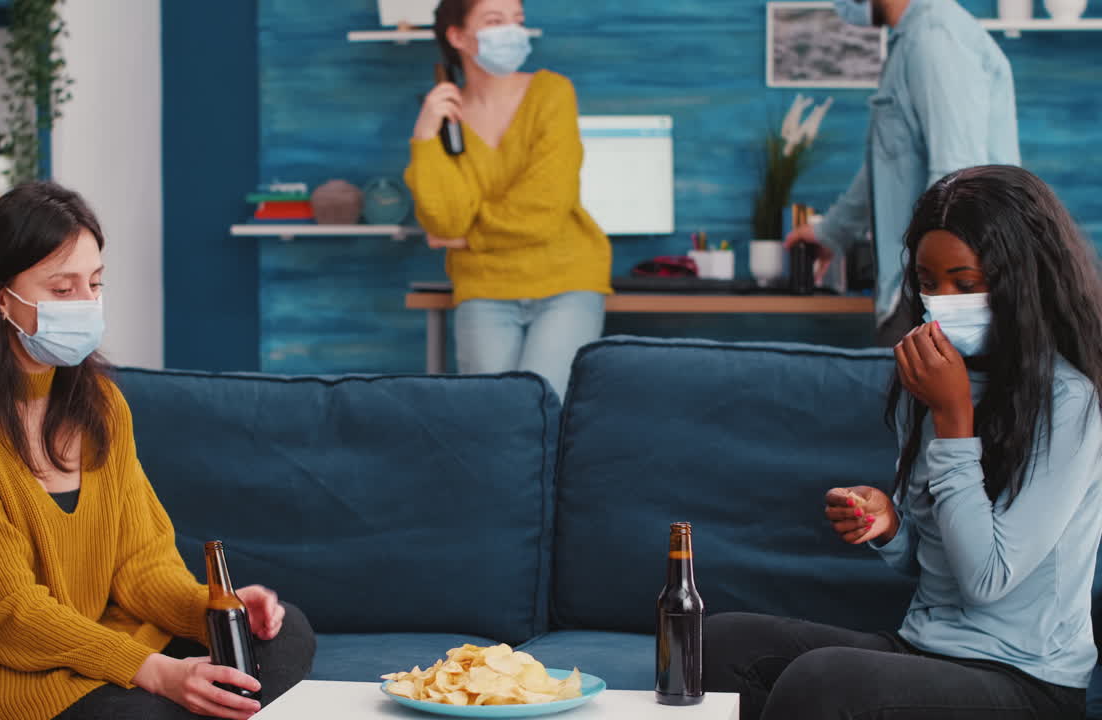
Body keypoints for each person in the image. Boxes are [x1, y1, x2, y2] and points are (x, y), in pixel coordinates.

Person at [0, 182, 315, 720]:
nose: (85, 304)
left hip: (84, 641)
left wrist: (214, 611)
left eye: (95, 283)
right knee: (157, 709)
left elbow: (140, 564)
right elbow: (2, 613)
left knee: (283, 631)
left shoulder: (100, 404)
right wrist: (155, 671)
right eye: (62, 289)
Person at [704, 165, 1102, 719]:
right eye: (928, 282)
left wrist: (954, 418)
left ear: (1021, 280)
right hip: (925, 647)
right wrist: (890, 526)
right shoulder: (929, 382)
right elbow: (932, 561)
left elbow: (986, 579)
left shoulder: (1067, 401)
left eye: (965, 284)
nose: (942, 301)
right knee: (714, 644)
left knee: (822, 682)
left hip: (1026, 678)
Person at [404, 0, 612, 399]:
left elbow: (544, 210)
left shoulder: (552, 93)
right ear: (458, 36)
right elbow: (445, 222)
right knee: (491, 413)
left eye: (518, 20)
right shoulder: (447, 120)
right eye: (494, 20)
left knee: (541, 404)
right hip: (483, 288)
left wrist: (470, 239)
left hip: (566, 282)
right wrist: (425, 136)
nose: (512, 31)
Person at [785, 0, 1019, 347]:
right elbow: (887, 162)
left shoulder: (935, 37)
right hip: (922, 287)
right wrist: (831, 232)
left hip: (933, 295)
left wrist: (939, 297)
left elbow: (959, 179)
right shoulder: (912, 40)